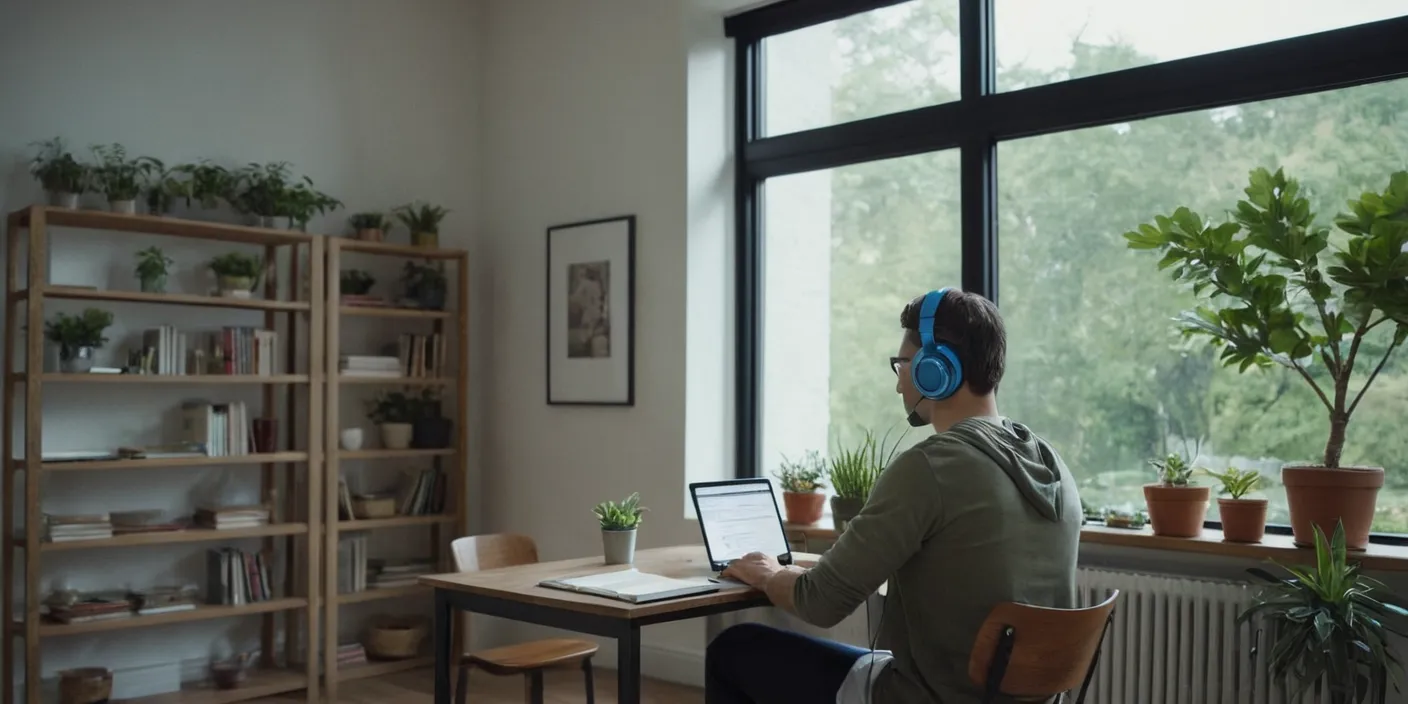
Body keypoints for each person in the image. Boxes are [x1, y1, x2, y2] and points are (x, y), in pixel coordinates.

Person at [706, 288, 1083, 704]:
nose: (900, 383)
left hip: (928, 697)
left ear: (936, 370)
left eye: (903, 364)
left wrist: (766, 572)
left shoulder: (930, 467)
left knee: (734, 649)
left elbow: (820, 602)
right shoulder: (1054, 466)